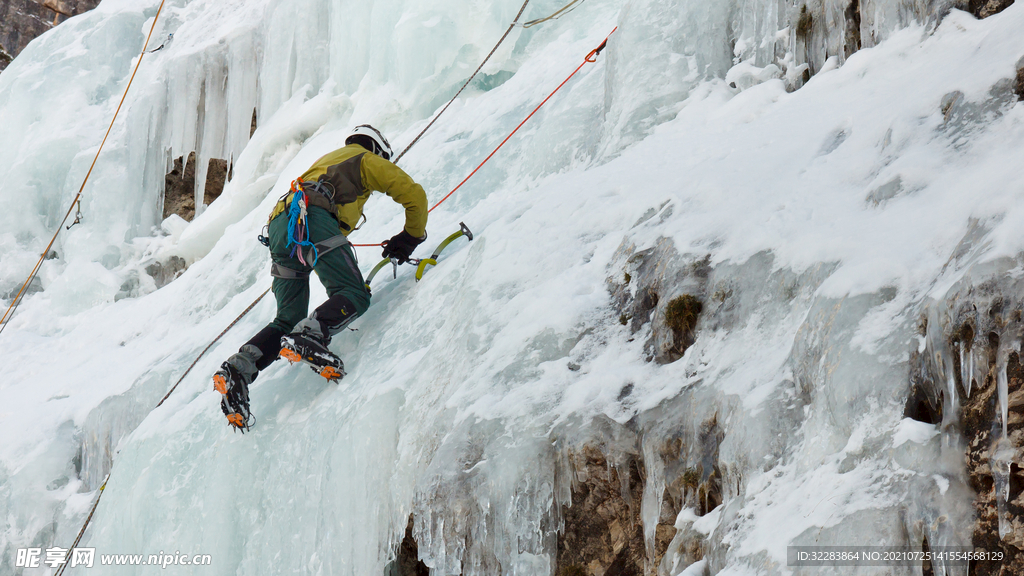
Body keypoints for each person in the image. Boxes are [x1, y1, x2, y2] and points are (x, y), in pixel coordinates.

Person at [213, 124, 428, 430]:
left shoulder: (326, 163)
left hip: (280, 227)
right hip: (310, 216)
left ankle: (239, 369)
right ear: (377, 149)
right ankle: (310, 336)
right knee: (353, 293)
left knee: (287, 319)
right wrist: (411, 236)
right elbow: (413, 193)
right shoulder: (363, 158)